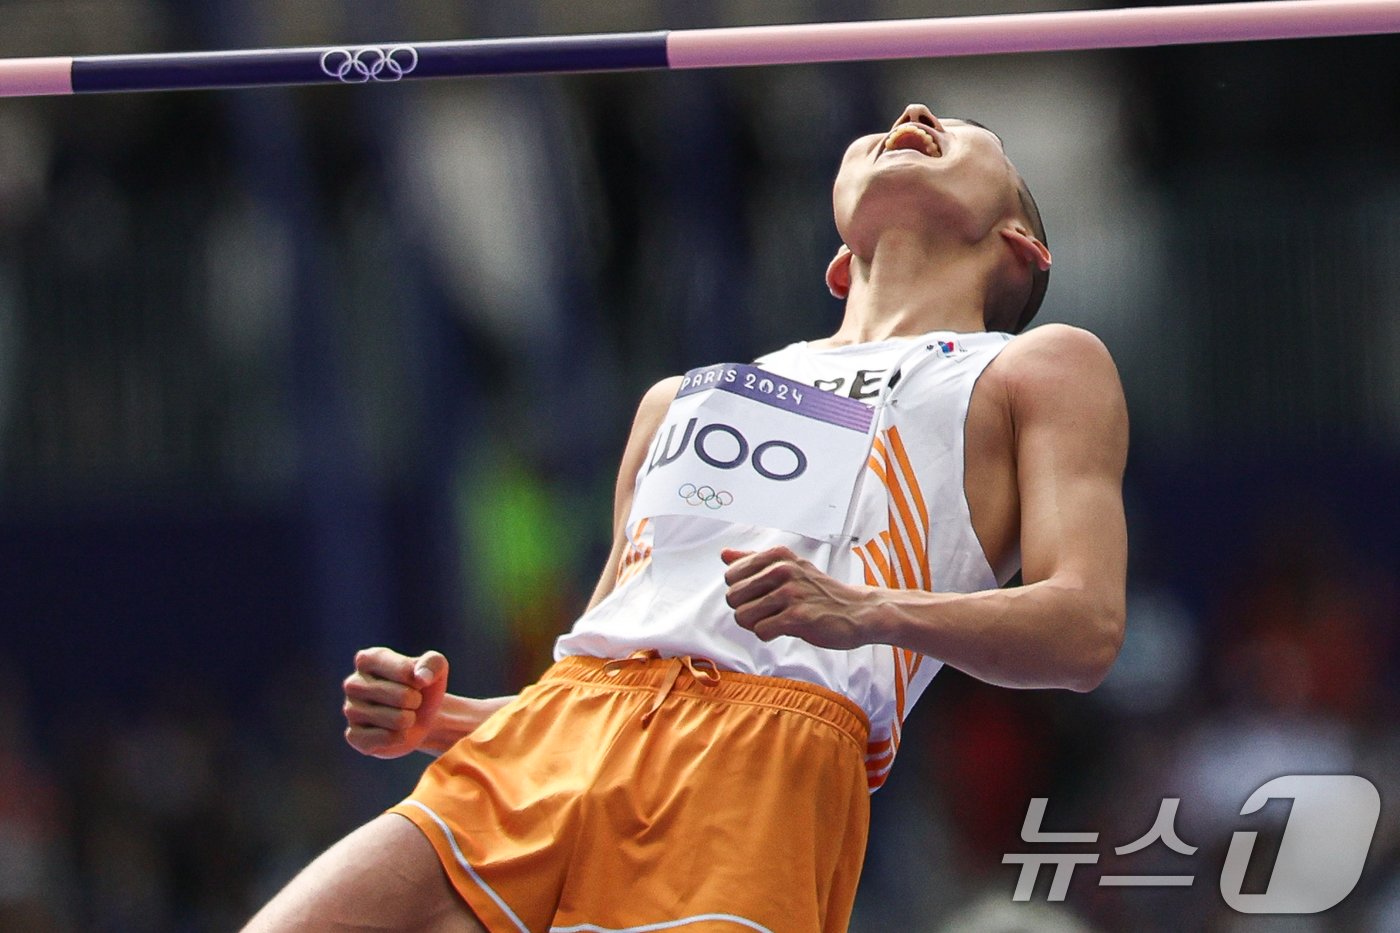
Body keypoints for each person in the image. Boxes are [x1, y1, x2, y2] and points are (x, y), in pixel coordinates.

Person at [244, 103, 1128, 933]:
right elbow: (627, 656)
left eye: (967, 135)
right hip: (553, 740)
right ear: (837, 257)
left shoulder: (1034, 369)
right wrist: (447, 719)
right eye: (890, 125)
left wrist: (866, 611)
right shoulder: (678, 400)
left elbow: (1083, 630)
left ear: (1020, 245)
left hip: (761, 768)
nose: (913, 118)